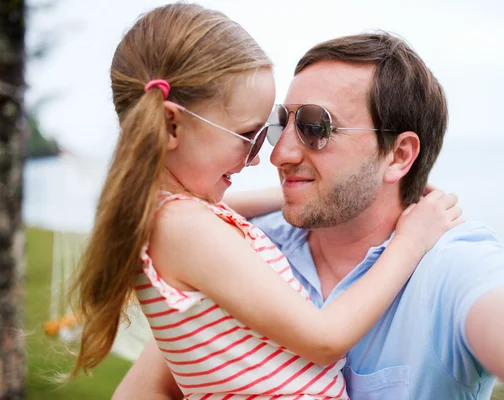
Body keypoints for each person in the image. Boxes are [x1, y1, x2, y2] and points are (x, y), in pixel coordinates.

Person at [114, 30, 504, 400]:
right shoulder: (245, 246)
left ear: (399, 156)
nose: (279, 153)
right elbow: (148, 388)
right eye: (282, 123)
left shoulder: (453, 264)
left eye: (313, 127)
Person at [69, 4, 463, 400]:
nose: (260, 156)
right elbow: (325, 338)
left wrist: (315, 187)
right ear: (173, 125)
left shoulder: (169, 218)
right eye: (248, 135)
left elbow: (230, 212)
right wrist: (411, 240)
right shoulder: (186, 229)